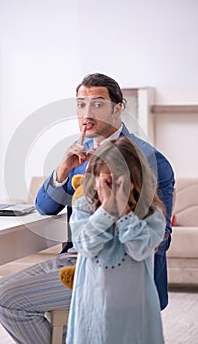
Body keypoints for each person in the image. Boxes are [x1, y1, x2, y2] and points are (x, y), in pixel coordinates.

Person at [0, 73, 174, 344]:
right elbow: (44, 208)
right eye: (80, 104)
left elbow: (161, 238)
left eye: (97, 104)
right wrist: (62, 169)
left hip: (116, 270)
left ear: (118, 108)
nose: (87, 112)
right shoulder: (80, 155)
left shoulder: (147, 159)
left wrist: (118, 211)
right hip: (74, 257)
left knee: (8, 298)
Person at [66, 137, 166, 344]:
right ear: (94, 180)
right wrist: (106, 211)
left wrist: (123, 212)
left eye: (119, 183)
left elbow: (140, 249)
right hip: (92, 307)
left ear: (134, 181)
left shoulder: (150, 213)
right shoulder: (84, 208)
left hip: (135, 308)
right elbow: (85, 245)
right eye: (107, 183)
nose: (112, 190)